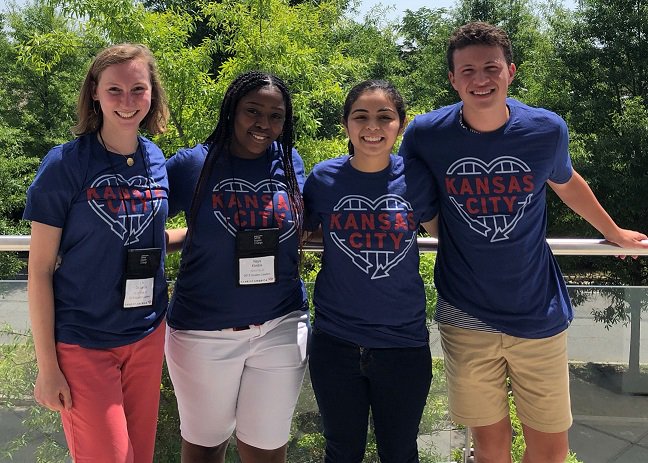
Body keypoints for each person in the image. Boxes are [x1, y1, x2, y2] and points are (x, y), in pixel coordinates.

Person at [398, 21, 648, 463]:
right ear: (452, 79)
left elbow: (567, 183)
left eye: (491, 68)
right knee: (490, 448)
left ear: (511, 72)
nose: (481, 80)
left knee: (551, 449)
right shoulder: (425, 135)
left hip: (538, 311)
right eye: (468, 71)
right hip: (465, 312)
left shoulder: (545, 130)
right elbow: (421, 202)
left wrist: (613, 234)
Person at [24, 43, 170, 462]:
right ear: (94, 92)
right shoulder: (64, 165)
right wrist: (47, 367)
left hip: (146, 334)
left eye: (138, 89)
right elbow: (39, 270)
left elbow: (148, 237)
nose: (127, 102)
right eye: (115, 90)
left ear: (152, 94)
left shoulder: (155, 159)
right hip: (85, 342)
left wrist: (205, 234)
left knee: (138, 456)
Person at [164, 70, 309, 463]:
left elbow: (302, 224)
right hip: (202, 331)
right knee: (205, 449)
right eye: (252, 111)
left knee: (266, 451)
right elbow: (146, 220)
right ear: (231, 111)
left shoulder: (289, 160)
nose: (263, 124)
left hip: (281, 325)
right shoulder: (193, 165)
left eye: (276, 116)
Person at [303, 80, 437, 463]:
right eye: (360, 116)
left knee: (400, 453)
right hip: (335, 343)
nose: (372, 126)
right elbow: (300, 231)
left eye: (384, 117)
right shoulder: (324, 178)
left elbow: (450, 233)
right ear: (346, 124)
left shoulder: (415, 178)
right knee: (341, 453)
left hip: (403, 345)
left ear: (401, 124)